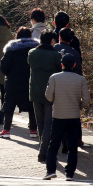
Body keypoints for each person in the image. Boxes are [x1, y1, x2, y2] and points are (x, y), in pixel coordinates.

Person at [43, 54, 90, 181]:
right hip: (74, 116)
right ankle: (70, 174)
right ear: (74, 65)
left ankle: (50, 171)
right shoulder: (81, 79)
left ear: (61, 64)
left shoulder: (54, 77)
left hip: (58, 115)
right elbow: (86, 99)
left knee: (53, 144)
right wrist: (78, 106)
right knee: (72, 146)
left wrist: (55, 101)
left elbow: (48, 96)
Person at [0, 27, 39, 141]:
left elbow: (3, 67)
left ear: (17, 35)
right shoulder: (36, 49)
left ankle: (6, 130)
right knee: (32, 105)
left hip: (13, 82)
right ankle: (33, 130)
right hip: (31, 81)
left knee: (9, 105)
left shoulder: (11, 49)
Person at [28, 30, 62, 160]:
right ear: (52, 41)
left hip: (35, 91)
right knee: (48, 122)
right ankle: (43, 151)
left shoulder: (32, 53)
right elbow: (60, 69)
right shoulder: (56, 56)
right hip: (50, 92)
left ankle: (43, 146)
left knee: (40, 121)